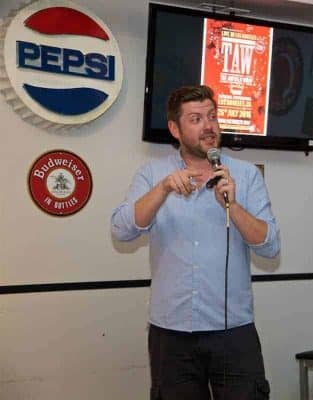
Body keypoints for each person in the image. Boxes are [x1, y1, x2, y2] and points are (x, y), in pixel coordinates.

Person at [111, 85, 280, 400]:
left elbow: (270, 247)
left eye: (212, 117)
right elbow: (121, 231)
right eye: (196, 119)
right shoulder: (152, 174)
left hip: (233, 332)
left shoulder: (245, 175)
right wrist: (161, 190)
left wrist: (233, 205)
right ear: (175, 129)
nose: (209, 126)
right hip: (171, 334)